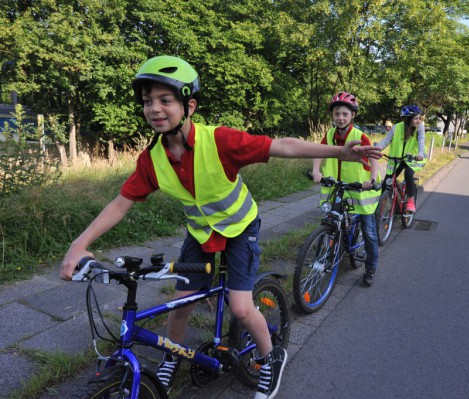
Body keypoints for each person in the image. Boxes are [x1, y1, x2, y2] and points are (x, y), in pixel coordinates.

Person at [59, 56, 381, 399]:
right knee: (180, 305)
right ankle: (172, 357)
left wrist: (340, 152)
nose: (154, 109)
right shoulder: (151, 158)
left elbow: (282, 145)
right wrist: (79, 245)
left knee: (241, 307)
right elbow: (121, 202)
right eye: (147, 101)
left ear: (189, 105)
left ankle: (271, 357)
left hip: (241, 229)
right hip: (201, 235)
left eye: (165, 100)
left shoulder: (220, 141)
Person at [311, 92, 380, 287]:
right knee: (330, 221)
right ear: (332, 116)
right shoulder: (330, 135)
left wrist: (372, 179)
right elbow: (318, 151)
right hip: (339, 187)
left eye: (345, 114)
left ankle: (371, 268)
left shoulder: (360, 136)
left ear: (352, 116)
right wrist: (316, 170)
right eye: (336, 114)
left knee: (369, 232)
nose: (340, 118)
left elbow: (373, 157)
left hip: (361, 190)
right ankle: (323, 259)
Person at [377, 104, 426, 213]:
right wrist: (376, 150)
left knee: (408, 174)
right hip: (397, 159)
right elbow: (385, 141)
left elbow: (421, 140)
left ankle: (410, 201)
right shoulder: (396, 127)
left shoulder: (420, 127)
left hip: (413, 158)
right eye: (416, 118)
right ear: (408, 119)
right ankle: (385, 207)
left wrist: (420, 153)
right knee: (387, 183)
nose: (418, 121)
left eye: (419, 118)